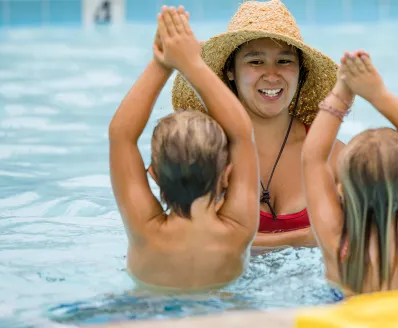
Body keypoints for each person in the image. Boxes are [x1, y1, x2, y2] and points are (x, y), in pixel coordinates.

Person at [171, 0, 344, 249]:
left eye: (284, 61)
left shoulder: (335, 157)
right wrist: (305, 238)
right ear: (230, 70)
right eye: (256, 61)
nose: (272, 75)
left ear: (301, 72)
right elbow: (189, 241)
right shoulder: (206, 155)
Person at [108, 6, 259, 291]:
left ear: (153, 175)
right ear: (227, 174)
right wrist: (192, 65)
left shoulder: (145, 231)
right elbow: (242, 134)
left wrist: (161, 63)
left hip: (145, 313)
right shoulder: (238, 230)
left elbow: (121, 136)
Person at [302, 49, 398, 300]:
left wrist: (343, 91)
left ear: (341, 189)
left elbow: (312, 158)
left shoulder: (336, 246)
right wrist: (378, 94)